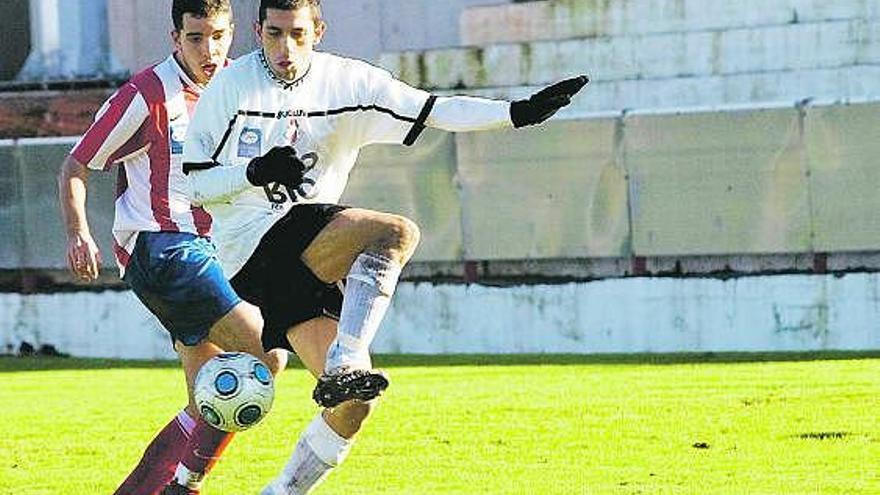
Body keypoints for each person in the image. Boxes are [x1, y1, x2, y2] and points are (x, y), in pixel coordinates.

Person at [182, 0, 588, 493]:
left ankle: (282, 489)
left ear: (320, 31)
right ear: (258, 30)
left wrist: (516, 114)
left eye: (298, 34)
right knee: (397, 232)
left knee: (354, 405)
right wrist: (255, 171)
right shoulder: (230, 88)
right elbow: (195, 186)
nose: (285, 48)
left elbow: (433, 109)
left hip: (301, 262)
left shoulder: (348, 83)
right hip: (248, 248)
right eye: (274, 34)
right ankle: (345, 361)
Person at [57, 2, 285, 494]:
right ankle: (187, 484)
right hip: (162, 247)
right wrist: (79, 231)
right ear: (175, 37)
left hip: (214, 252)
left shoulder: (242, 88)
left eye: (219, 36)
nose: (210, 49)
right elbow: (75, 166)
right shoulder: (146, 95)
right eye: (197, 37)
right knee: (266, 347)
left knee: (207, 400)